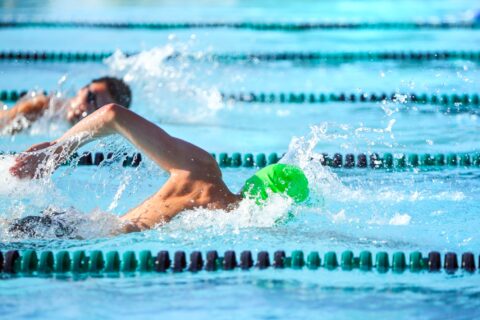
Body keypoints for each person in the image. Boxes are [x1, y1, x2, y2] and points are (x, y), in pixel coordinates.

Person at [8, 103, 309, 236]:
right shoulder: (233, 223)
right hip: (77, 233)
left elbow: (112, 114)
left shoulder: (201, 172)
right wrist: (55, 151)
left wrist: (58, 149)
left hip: (72, 227)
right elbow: (113, 111)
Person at [0, 76, 132, 132]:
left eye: (98, 110)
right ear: (82, 90)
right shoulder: (41, 107)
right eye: (90, 97)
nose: (88, 107)